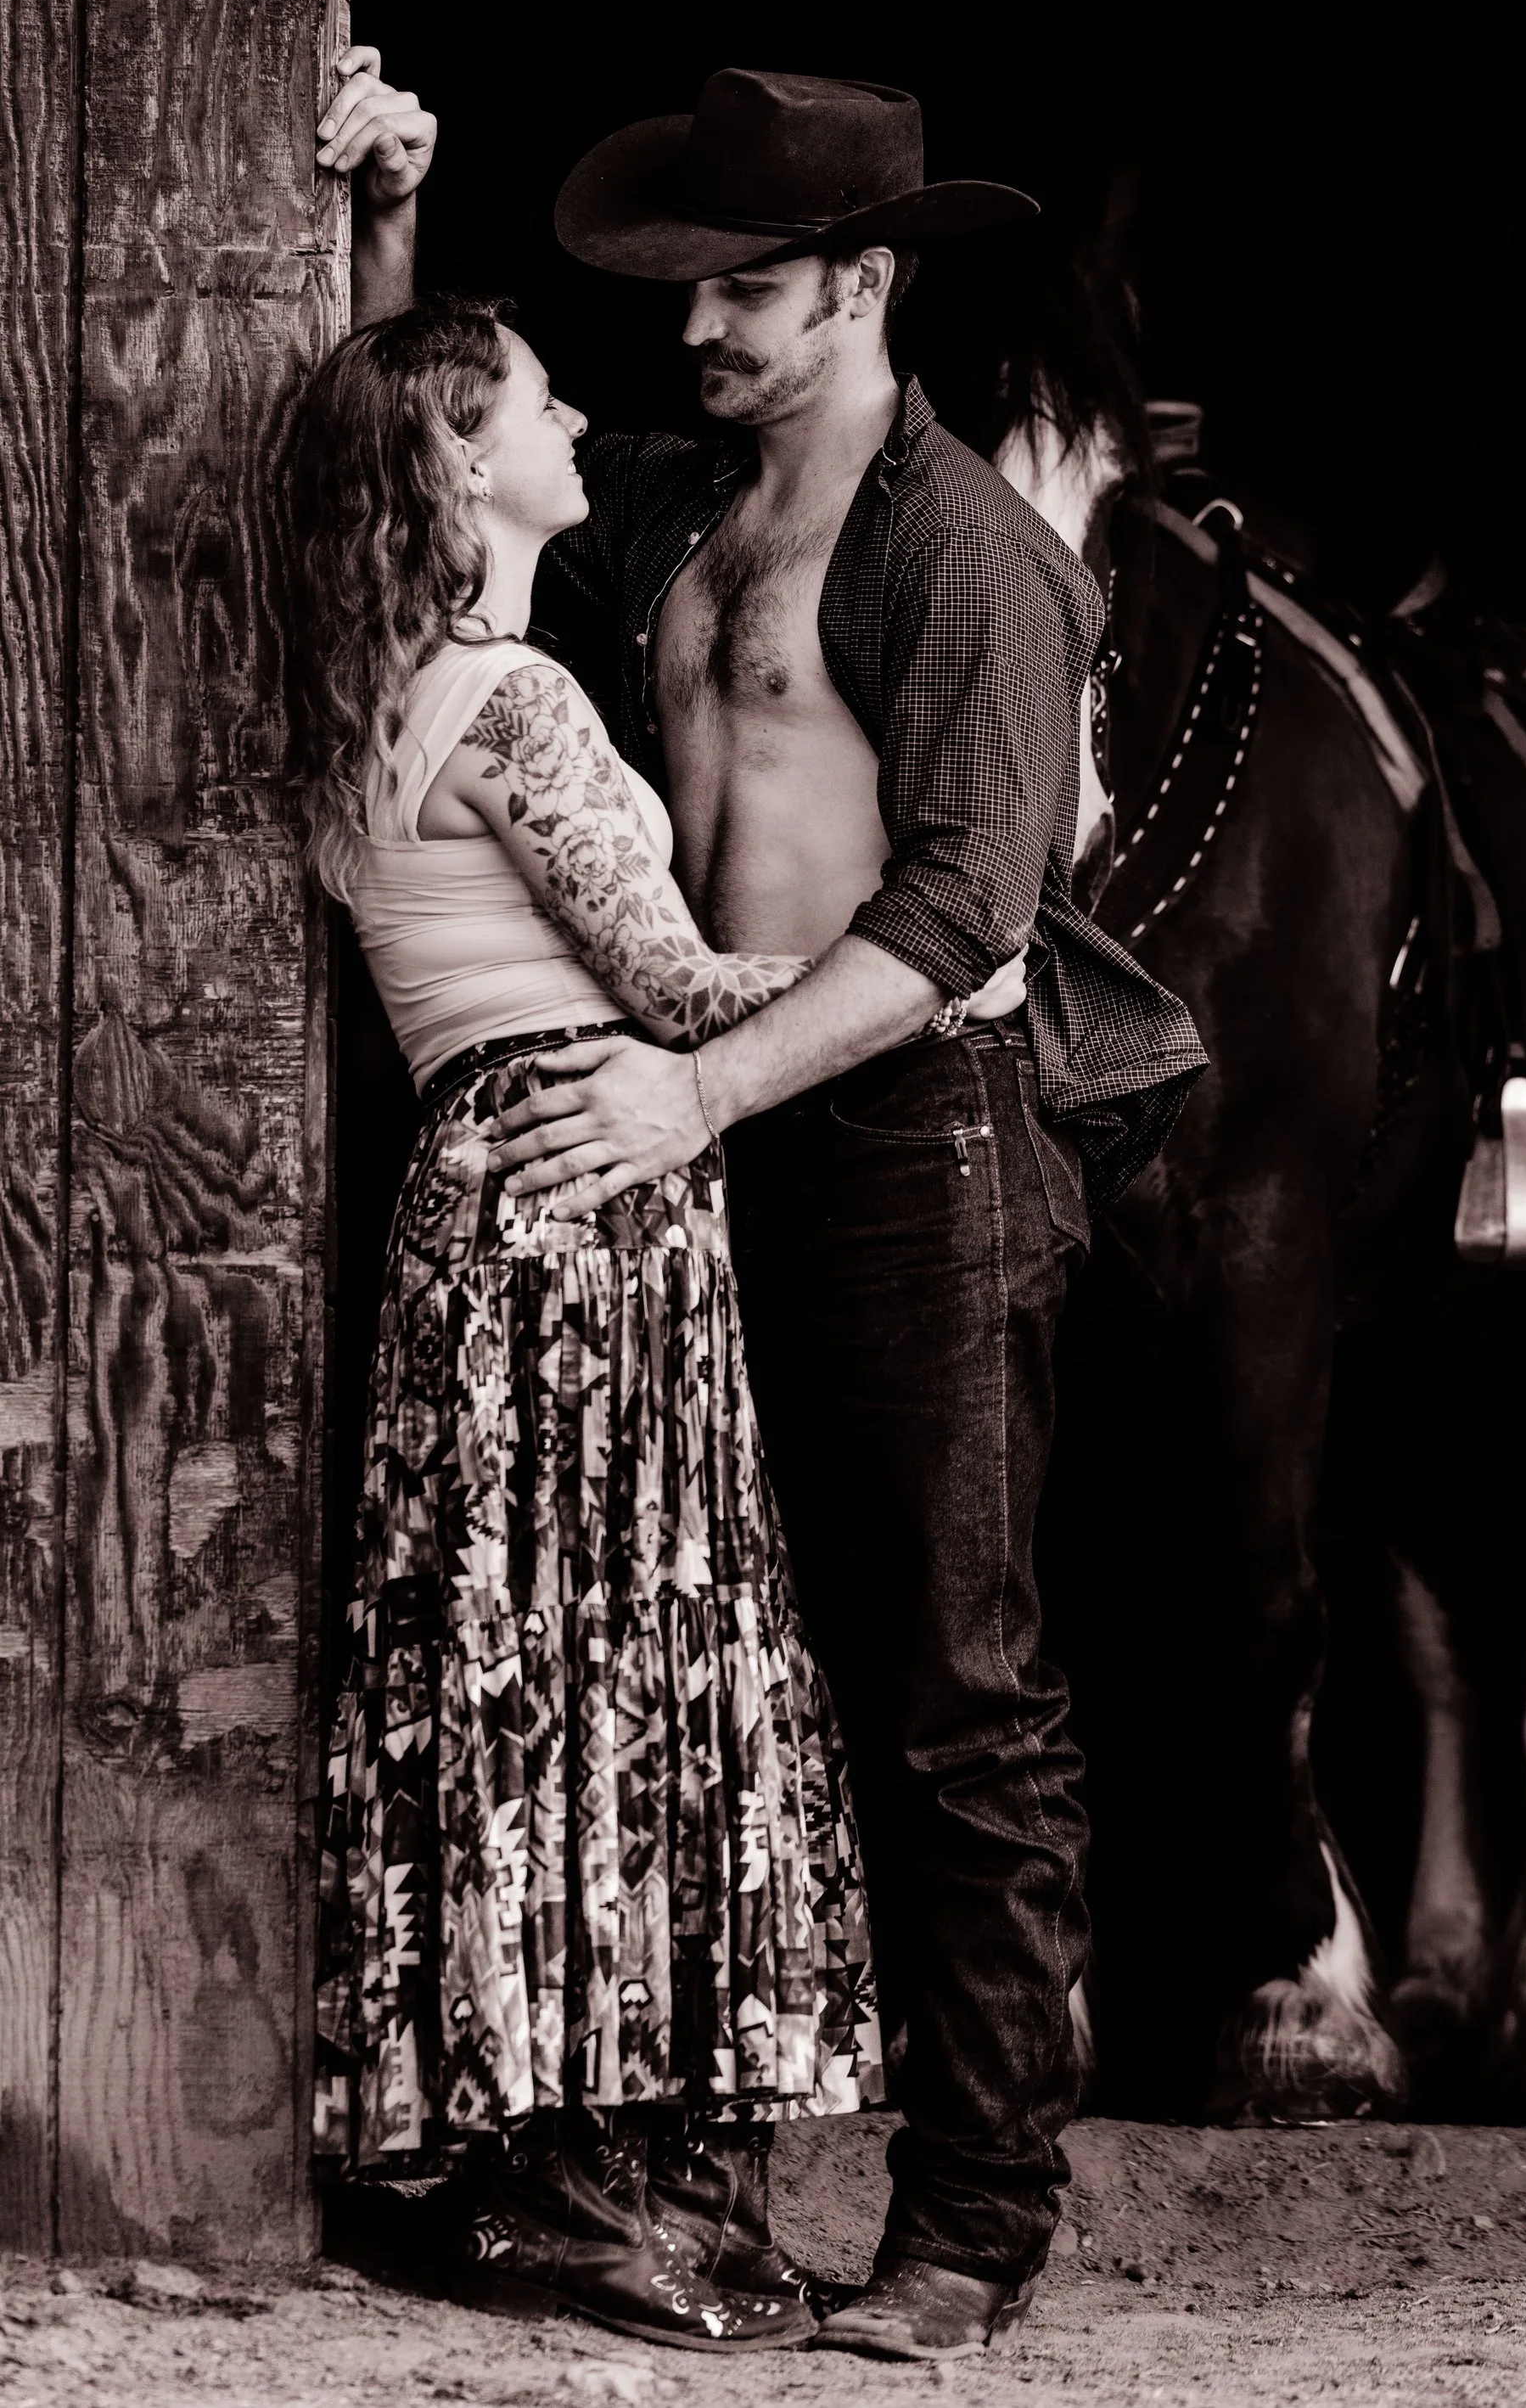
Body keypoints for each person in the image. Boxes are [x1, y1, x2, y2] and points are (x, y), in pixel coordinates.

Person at [328, 50, 1206, 2358]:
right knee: (720, 1660)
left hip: (894, 1133)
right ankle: (674, 2163)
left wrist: (690, 1088)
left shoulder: (962, 555)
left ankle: (973, 2217)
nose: (695, 331)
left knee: (955, 1692)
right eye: (685, 290)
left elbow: (959, 909)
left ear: (866, 288)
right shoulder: (681, 538)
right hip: (698, 1137)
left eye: (747, 291)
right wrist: (385, 251)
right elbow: (442, 522)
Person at [290, 272, 1026, 2351]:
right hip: (587, 1180)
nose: (587, 431)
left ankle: (540, 2138)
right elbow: (684, 989)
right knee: (616, 1641)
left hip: (481, 1181)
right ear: (457, 461)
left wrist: (380, 215)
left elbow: (362, 389)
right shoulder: (513, 701)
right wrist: (946, 965)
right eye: (533, 404)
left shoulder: (377, 683)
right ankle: (585, 2153)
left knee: (513, 1644)